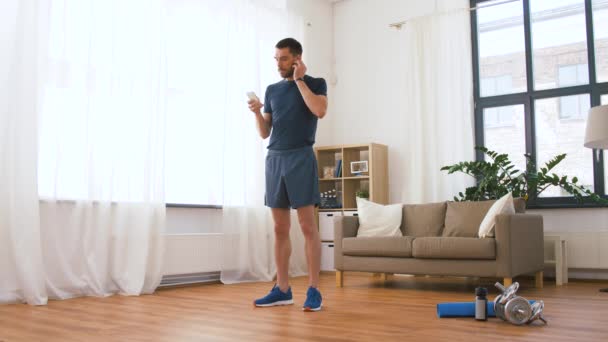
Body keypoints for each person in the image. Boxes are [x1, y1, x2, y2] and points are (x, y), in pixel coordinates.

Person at [247, 38, 328, 312]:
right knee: (280, 228)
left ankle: (314, 290)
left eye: (283, 58)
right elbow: (264, 132)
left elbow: (320, 110)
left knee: (307, 227)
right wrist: (258, 113)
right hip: (275, 159)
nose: (278, 63)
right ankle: (282, 289)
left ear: (296, 58)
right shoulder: (272, 90)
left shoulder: (316, 83)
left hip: (300, 157)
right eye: (276, 58)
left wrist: (300, 80)